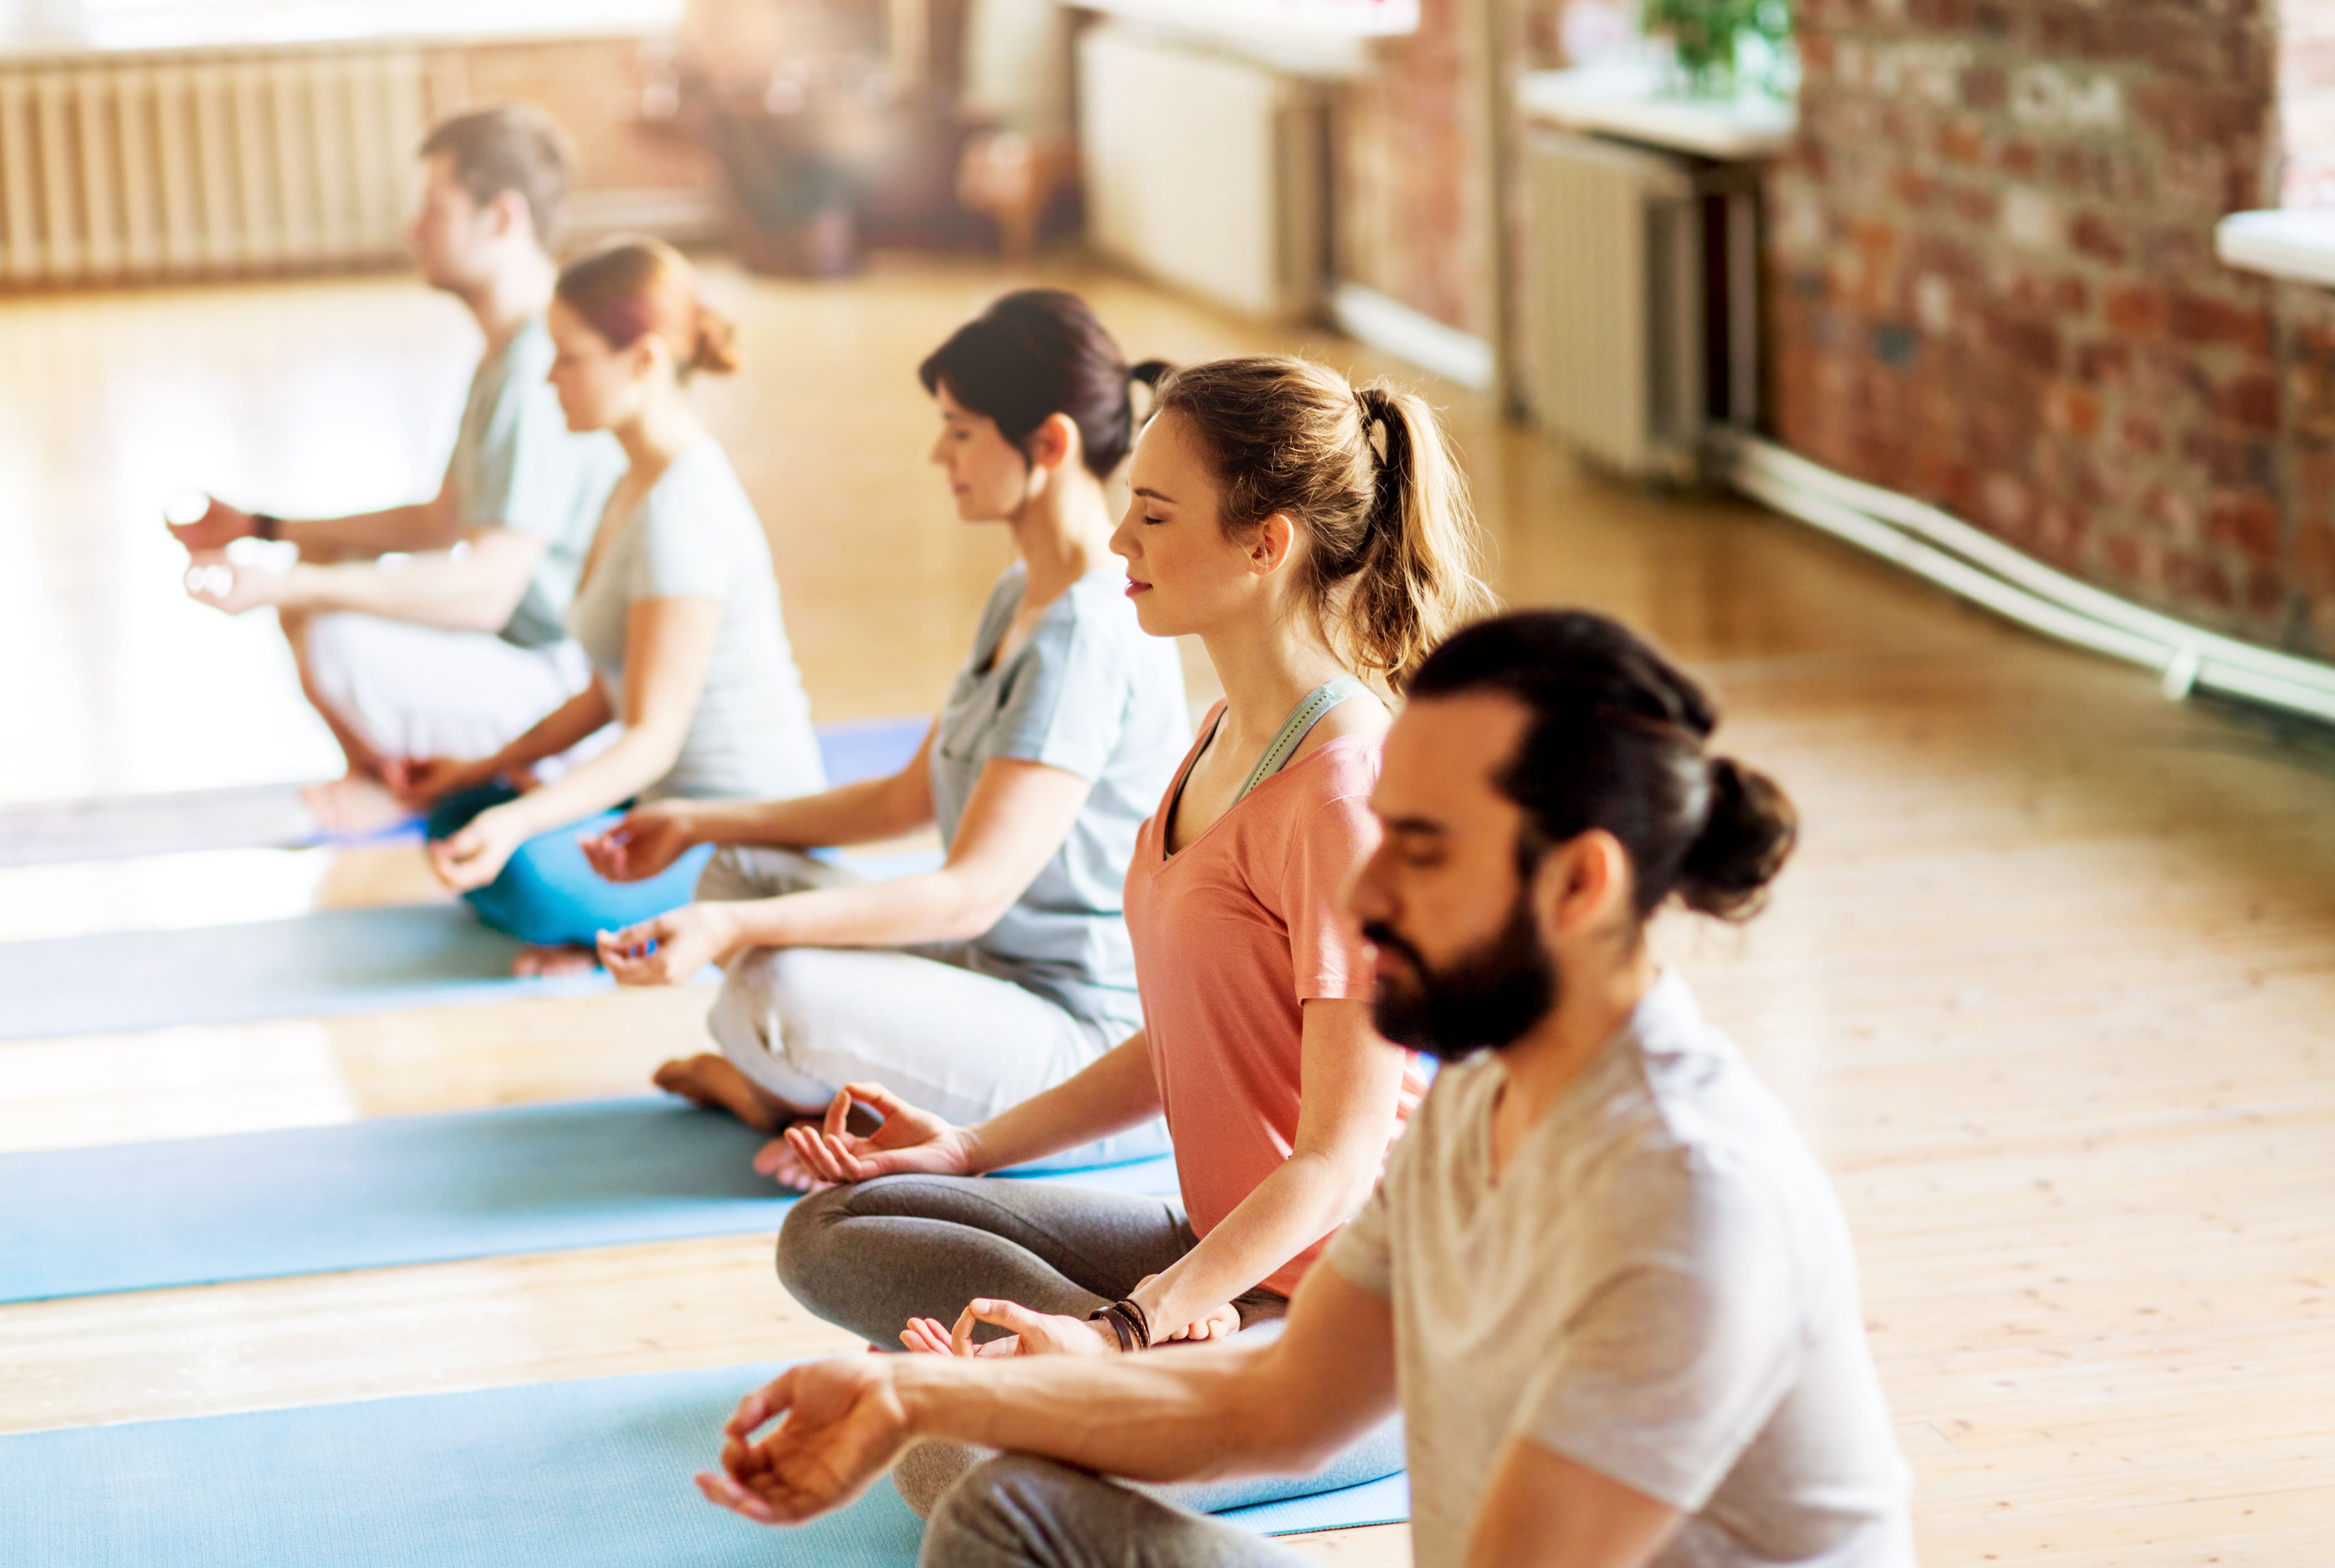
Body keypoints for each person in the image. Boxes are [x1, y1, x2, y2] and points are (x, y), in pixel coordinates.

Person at [695, 608, 1919, 1568]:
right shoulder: (1478, 1105)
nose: (1368, 897)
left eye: (1423, 851)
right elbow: (1281, 1396)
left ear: (1581, 886)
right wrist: (908, 1389)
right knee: (1002, 1507)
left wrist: (1089, 1345)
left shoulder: (1683, 1198)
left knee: (991, 1492)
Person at [763, 355, 1495, 1518]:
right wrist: (963, 1149)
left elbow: (1340, 1160)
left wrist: (1121, 1326)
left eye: (1153, 516)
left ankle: (1066, 1375)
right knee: (835, 1227)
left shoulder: (1343, 797)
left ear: (1268, 544)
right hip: (1221, 1253)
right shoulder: (1221, 728)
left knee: (970, 1476)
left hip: (1358, 1328)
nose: (1117, 545)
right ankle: (1056, 1364)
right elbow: (1183, 1041)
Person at [584, 290, 1189, 1183]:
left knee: (775, 991)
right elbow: (903, 800)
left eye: (959, 430)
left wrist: (731, 928)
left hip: (1080, 1039)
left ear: (1048, 445)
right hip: (987, 975)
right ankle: (819, 1094)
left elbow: (967, 894)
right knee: (735, 871)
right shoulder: (1018, 595)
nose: (936, 454)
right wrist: (698, 821)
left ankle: (801, 1092)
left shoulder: (1083, 636)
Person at [171, 104, 625, 833]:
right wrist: (263, 527)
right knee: (321, 568)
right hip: (529, 653)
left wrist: (290, 582)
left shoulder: (540, 362)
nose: (414, 227)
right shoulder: (511, 350)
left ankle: (409, 788)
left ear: (502, 217)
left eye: (434, 209)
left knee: (324, 618)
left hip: (568, 688)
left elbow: (485, 590)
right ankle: (397, 774)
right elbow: (439, 519)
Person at [403, 238, 824, 972]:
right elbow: (611, 686)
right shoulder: (631, 481)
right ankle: (599, 917)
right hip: (658, 815)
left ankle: (629, 930)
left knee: (519, 866)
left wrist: (521, 820)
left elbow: (651, 739)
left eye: (569, 356)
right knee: (458, 818)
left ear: (645, 361)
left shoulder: (679, 515)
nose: (550, 377)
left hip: (737, 843)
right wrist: (483, 771)